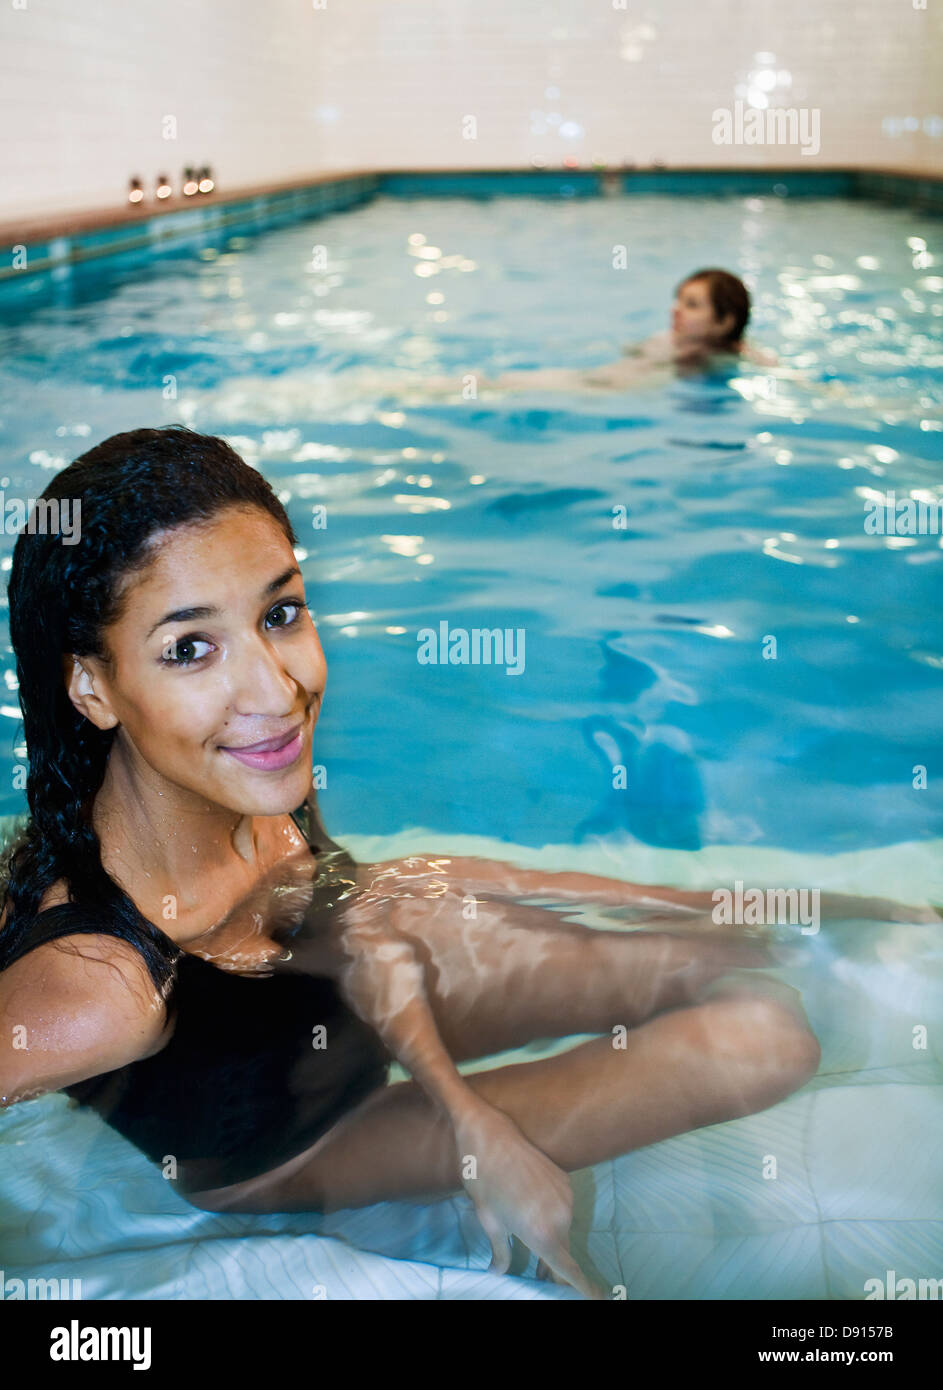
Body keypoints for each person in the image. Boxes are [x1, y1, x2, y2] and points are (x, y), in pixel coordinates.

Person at [0, 426, 923, 1299]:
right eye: (191, 648)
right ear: (91, 684)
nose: (276, 692)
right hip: (294, 1144)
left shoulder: (238, 781)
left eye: (280, 613)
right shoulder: (100, 988)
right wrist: (472, 1135)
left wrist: (686, 900)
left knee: (724, 956)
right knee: (764, 1041)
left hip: (336, 1015)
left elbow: (353, 920)